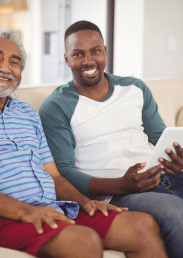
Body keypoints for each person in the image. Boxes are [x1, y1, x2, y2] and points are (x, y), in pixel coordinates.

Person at [0, 32, 167, 258]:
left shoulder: (26, 113)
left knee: (142, 226)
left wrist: (84, 201)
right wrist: (25, 211)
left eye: (15, 62)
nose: (6, 68)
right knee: (82, 241)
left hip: (51, 209)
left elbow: (54, 176)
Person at [39, 20, 183, 258]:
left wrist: (177, 160)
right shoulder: (55, 107)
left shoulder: (135, 88)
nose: (88, 61)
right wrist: (121, 184)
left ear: (105, 51)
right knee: (177, 214)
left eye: (95, 51)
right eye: (78, 54)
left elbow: (161, 138)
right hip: (118, 192)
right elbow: (63, 171)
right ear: (66, 59)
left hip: (163, 176)